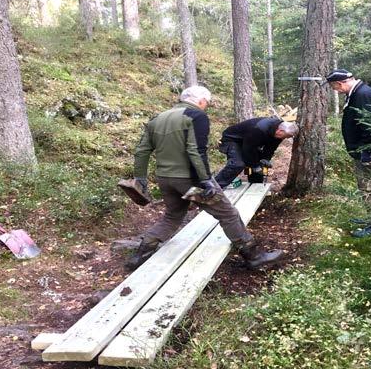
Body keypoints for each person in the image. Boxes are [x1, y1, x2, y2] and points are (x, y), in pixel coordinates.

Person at [121, 86, 283, 270]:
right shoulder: (196, 116)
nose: (207, 106)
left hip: (165, 179)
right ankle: (254, 256)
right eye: (207, 102)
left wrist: (140, 177)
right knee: (228, 214)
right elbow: (196, 150)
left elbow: (142, 150)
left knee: (172, 216)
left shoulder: (157, 118)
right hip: (190, 179)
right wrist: (205, 180)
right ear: (200, 100)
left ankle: (140, 256)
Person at [326, 69, 371, 237]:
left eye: (335, 88)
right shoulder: (357, 93)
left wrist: (368, 152)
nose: (336, 91)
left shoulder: (363, 95)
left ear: (340, 84)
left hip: (370, 152)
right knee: (367, 186)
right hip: (365, 150)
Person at [214, 118, 299, 188]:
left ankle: (255, 186)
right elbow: (248, 150)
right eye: (286, 136)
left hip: (249, 142)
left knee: (259, 164)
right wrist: (255, 166)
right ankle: (213, 188)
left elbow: (271, 148)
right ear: (280, 131)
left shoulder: (278, 133)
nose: (285, 138)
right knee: (238, 164)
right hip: (232, 140)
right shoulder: (259, 129)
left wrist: (265, 159)